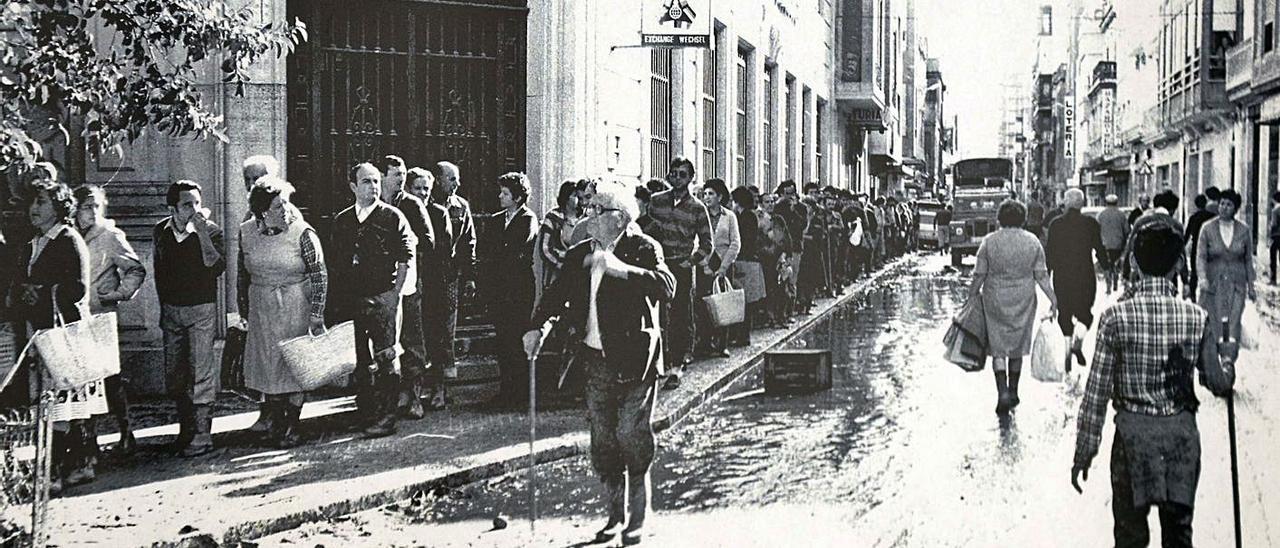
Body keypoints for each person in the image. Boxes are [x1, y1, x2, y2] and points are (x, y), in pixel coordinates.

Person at [523, 180, 675, 546]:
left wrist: (620, 269)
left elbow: (666, 286)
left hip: (636, 359)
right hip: (595, 360)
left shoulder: (642, 247)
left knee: (631, 435)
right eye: (588, 209)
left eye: (597, 210)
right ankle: (613, 515)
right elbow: (555, 295)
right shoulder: (579, 254)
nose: (588, 215)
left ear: (620, 218)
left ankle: (637, 518)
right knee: (603, 442)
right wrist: (537, 328)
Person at [1071, 224, 1235, 548]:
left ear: (1133, 261)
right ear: (1177, 265)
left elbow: (1096, 393)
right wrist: (1227, 366)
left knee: (1130, 534)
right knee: (1178, 533)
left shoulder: (1115, 318)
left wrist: (1084, 450)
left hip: (1133, 439)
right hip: (1181, 438)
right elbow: (1217, 381)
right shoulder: (1196, 317)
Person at [10, 181, 104, 489]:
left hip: (63, 333)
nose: (34, 209)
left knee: (62, 405)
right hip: (38, 333)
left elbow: (77, 287)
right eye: (32, 203)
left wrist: (44, 292)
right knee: (49, 404)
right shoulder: (32, 243)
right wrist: (22, 292)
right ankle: (66, 467)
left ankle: (57, 471)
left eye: (41, 202)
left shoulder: (68, 239)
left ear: (59, 207)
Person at [237, 178, 327, 448]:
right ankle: (276, 423)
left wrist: (317, 313)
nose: (287, 209)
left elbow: (319, 273)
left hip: (295, 305)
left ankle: (291, 426)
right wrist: (243, 310)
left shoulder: (303, 232)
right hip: (262, 309)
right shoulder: (246, 232)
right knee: (267, 367)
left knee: (293, 366)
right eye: (279, 205)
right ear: (263, 211)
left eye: (287, 202)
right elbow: (242, 274)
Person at [328, 162, 416, 438]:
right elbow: (336, 262)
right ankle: (366, 413)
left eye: (377, 181)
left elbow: (405, 258)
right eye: (366, 181)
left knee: (387, 357)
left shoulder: (393, 217)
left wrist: (394, 296)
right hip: (352, 300)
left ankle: (387, 417)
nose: (374, 186)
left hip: (383, 299)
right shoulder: (342, 220)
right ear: (353, 186)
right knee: (360, 360)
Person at [73, 184, 146, 457]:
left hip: (101, 317)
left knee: (110, 377)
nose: (93, 212)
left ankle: (126, 432)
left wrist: (117, 294)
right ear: (74, 209)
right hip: (72, 317)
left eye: (97, 206)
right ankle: (88, 439)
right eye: (86, 207)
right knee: (80, 378)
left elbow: (135, 269)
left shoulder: (110, 235)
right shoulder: (67, 235)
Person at [154, 180, 226, 457]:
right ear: (173, 207)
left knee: (201, 372)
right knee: (175, 374)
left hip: (201, 309)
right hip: (172, 310)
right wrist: (164, 309)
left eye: (197, 203)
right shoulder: (161, 231)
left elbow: (215, 265)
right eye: (187, 205)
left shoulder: (211, 231)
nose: (194, 209)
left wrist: (202, 233)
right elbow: (160, 270)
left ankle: (202, 434)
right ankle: (185, 430)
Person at [969, 199, 1058, 414]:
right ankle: (1014, 391)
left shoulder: (989, 241)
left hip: (995, 298)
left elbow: (979, 273)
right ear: (1023, 218)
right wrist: (1053, 299)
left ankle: (1002, 392)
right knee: (1017, 345)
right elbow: (1041, 275)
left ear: (1000, 218)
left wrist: (971, 295)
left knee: (998, 347)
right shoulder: (1033, 242)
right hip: (1024, 299)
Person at [643, 157, 712, 390]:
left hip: (681, 267)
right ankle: (656, 361)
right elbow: (645, 232)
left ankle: (677, 365)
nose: (677, 178)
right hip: (657, 265)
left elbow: (707, 244)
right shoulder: (656, 201)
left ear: (691, 178)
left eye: (683, 174)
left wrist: (689, 262)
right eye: (674, 173)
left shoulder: (698, 208)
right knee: (654, 312)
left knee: (682, 313)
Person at [381, 155, 435, 420]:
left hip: (409, 282)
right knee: (385, 339)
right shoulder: (374, 204)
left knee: (412, 339)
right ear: (383, 177)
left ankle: (415, 397)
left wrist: (401, 246)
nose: (401, 179)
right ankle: (390, 395)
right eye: (395, 174)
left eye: (403, 174)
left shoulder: (412, 205)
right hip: (380, 284)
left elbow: (428, 241)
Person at [489, 172, 539, 406]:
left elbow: (515, 248)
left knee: (517, 338)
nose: (500, 196)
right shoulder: (496, 219)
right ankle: (505, 389)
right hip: (499, 288)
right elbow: (492, 251)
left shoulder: (528, 219)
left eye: (505, 193)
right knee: (502, 340)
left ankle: (521, 393)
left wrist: (500, 252)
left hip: (518, 289)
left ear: (518, 197)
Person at [1045, 188, 1109, 370]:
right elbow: (1100, 249)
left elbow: (1050, 253)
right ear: (1082, 204)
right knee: (1085, 314)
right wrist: (1107, 267)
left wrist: (1047, 277)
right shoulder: (1091, 224)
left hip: (1062, 277)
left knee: (1064, 314)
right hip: (1085, 277)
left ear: (1065, 203)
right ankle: (1077, 343)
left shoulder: (1056, 225)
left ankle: (1067, 352)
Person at [406, 167, 453, 410]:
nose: (423, 193)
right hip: (411, 285)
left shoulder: (439, 213)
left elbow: (444, 250)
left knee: (437, 338)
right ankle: (412, 393)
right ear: (408, 189)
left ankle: (438, 389)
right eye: (418, 188)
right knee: (413, 340)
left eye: (426, 188)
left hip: (435, 284)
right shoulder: (405, 211)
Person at [430, 161, 477, 381]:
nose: (457, 184)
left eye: (457, 179)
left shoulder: (461, 206)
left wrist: (469, 277)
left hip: (450, 276)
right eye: (451, 179)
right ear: (438, 180)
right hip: (426, 276)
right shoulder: (425, 205)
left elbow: (469, 242)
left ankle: (446, 372)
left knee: (447, 324)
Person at [1196, 189, 1256, 343]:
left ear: (1235, 209)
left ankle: (1228, 359)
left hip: (1237, 284)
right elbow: (1201, 256)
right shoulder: (1207, 228)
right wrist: (1202, 278)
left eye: (1229, 204)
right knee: (1213, 322)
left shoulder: (1244, 230)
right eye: (1221, 203)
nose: (1224, 207)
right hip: (1212, 283)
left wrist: (1251, 286)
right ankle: (1213, 355)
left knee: (1233, 323)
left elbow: (1248, 260)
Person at [695, 178, 740, 358]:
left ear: (720, 196)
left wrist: (723, 268)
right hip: (704, 263)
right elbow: (696, 241)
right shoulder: (699, 214)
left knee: (723, 302)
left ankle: (722, 344)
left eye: (711, 194)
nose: (707, 197)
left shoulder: (729, 216)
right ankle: (704, 342)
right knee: (703, 304)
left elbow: (735, 243)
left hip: (723, 262)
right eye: (705, 194)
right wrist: (703, 264)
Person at [539, 180, 589, 287]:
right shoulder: (553, 217)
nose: (581, 201)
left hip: (579, 275)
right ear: (566, 198)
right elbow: (545, 248)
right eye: (576, 196)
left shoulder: (586, 219)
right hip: (556, 273)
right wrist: (560, 264)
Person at [1183, 194, 1216, 296]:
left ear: (1196, 205)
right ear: (1205, 203)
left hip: (1196, 247)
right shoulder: (1212, 217)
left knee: (1194, 273)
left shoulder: (1193, 218)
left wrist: (1182, 245)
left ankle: (1193, 295)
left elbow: (1187, 234)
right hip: (1208, 247)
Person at [1096, 194, 1128, 294]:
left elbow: (1096, 229)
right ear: (1116, 202)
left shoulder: (1100, 215)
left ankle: (1108, 283)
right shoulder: (1121, 215)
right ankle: (1115, 280)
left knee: (1106, 265)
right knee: (1115, 263)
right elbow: (1126, 230)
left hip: (1104, 244)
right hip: (1118, 244)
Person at [1271, 191, 1280, 285]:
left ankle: (1273, 279)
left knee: (1273, 257)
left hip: (1277, 236)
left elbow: (1274, 224)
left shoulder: (1275, 210)